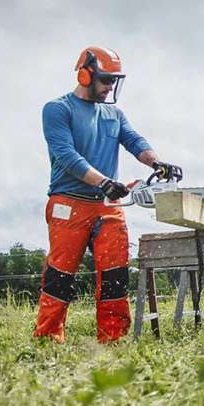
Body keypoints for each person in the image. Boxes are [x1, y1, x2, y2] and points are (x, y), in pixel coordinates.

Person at [33, 45, 180, 344]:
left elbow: (134, 140)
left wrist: (156, 162)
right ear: (86, 74)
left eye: (114, 81)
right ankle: (48, 337)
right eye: (105, 80)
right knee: (60, 275)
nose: (110, 87)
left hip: (108, 205)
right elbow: (65, 156)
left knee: (115, 275)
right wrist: (102, 181)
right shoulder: (58, 109)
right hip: (68, 203)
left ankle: (112, 339)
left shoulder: (114, 113)